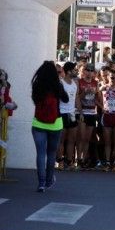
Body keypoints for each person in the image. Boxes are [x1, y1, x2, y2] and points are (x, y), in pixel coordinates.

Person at [31, 61, 69, 192]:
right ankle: (49, 181)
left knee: (40, 154)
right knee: (51, 153)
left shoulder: (36, 85)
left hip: (38, 122)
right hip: (55, 123)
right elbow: (66, 99)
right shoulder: (57, 84)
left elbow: (35, 101)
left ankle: (41, 183)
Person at [57, 62, 80, 170]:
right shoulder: (60, 83)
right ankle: (60, 161)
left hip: (72, 114)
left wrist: (81, 112)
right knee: (61, 139)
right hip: (62, 113)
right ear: (69, 71)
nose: (76, 71)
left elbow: (76, 99)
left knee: (72, 139)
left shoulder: (75, 83)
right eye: (74, 69)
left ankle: (69, 162)